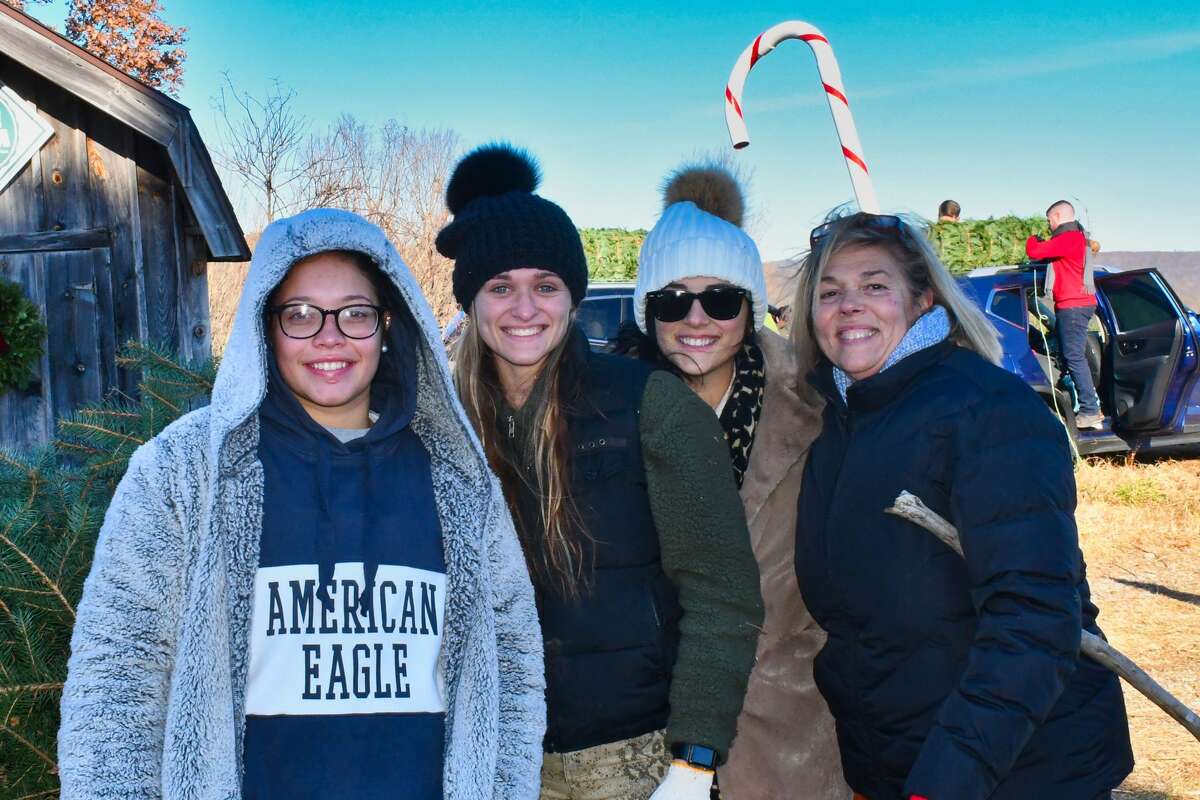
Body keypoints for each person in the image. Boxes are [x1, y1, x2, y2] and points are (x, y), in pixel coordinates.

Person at [58, 209, 546, 799]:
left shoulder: (458, 481)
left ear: (390, 323)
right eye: (300, 315)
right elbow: (116, 680)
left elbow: (513, 671)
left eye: (355, 313)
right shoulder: (186, 472)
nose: (330, 337)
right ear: (264, 326)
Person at [438, 144, 764, 800]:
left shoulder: (650, 403)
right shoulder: (445, 425)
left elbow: (721, 590)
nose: (524, 309)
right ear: (472, 301)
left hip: (629, 758)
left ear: (573, 296)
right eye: (500, 287)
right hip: (497, 754)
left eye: (546, 286)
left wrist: (695, 759)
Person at [790, 210, 1134, 800]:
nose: (849, 306)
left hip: (1020, 770)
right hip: (900, 760)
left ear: (923, 299)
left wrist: (945, 782)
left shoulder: (986, 411)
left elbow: (1033, 619)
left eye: (875, 286)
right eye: (830, 292)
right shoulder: (837, 424)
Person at [624, 163, 848, 800]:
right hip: (646, 734)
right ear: (648, 311)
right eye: (672, 300)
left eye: (721, 299)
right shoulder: (612, 413)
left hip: (788, 733)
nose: (697, 318)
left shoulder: (817, 407)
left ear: (750, 308)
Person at [1026, 200, 1104, 429]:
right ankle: (1083, 402)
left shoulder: (1068, 239)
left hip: (1073, 305)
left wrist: (1031, 236)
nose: (1049, 225)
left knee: (1074, 356)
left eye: (1049, 220)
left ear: (1058, 217)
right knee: (1071, 354)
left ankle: (1090, 410)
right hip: (1075, 305)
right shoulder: (1076, 237)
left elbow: (1035, 251)